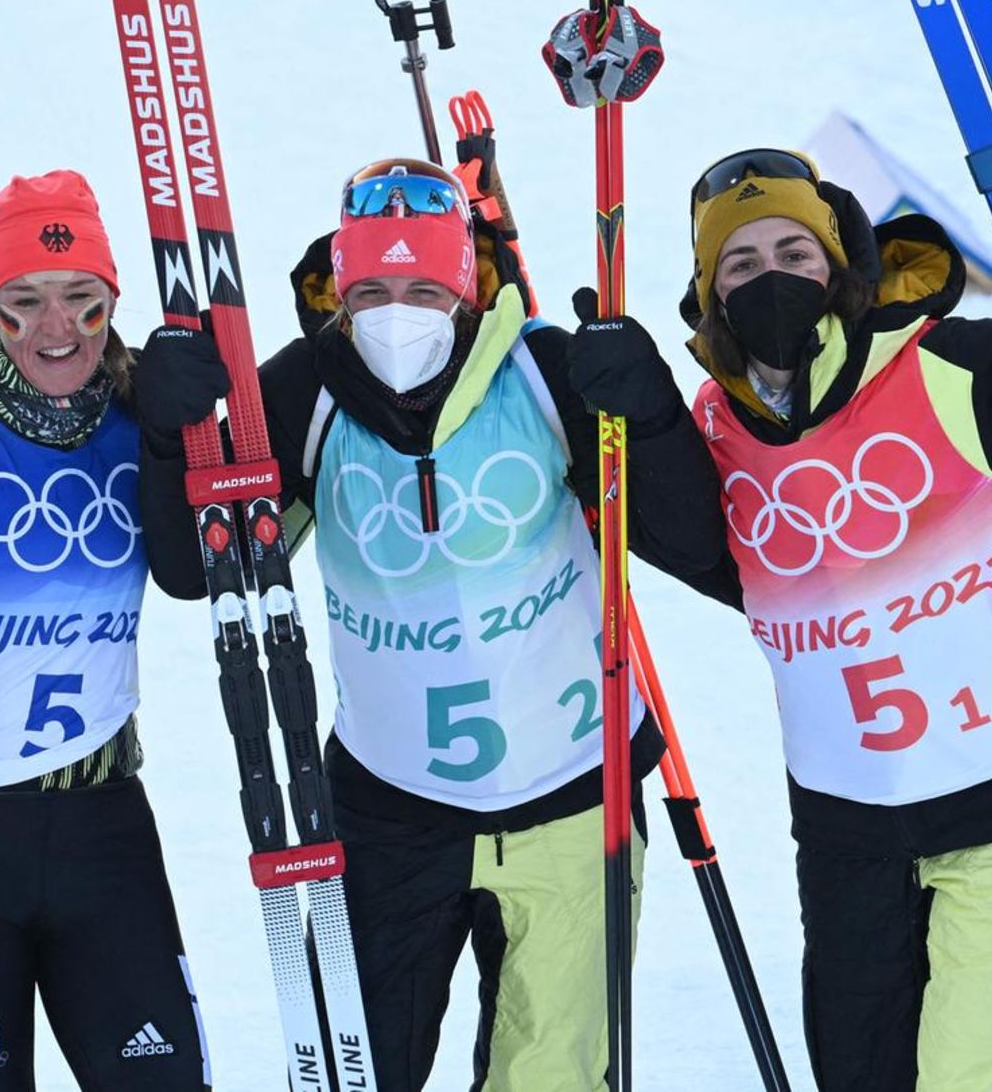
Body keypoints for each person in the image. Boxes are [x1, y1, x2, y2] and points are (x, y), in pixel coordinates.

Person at [570, 148, 992, 1092]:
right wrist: (643, 420)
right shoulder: (717, 426)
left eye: (794, 250)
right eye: (740, 266)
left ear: (838, 263)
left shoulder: (950, 365)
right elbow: (721, 562)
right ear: (708, 294)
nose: (771, 277)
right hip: (850, 835)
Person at [134, 157, 726, 1091]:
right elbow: (195, 570)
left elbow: (697, 545)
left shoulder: (545, 372)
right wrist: (172, 434)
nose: (394, 312)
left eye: (420, 287)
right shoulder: (300, 393)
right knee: (358, 1068)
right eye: (370, 288)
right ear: (337, 289)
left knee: (556, 1074)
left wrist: (650, 412)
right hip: (386, 807)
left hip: (575, 796)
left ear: (465, 285)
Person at [0, 169, 209, 1091]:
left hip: (102, 822)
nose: (56, 331)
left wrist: (186, 431)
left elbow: (191, 572)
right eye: (25, 303)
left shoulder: (146, 425)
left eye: (83, 303)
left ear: (109, 302)